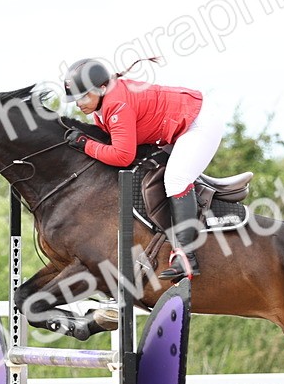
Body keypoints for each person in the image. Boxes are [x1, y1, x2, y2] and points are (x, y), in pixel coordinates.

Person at [61, 57, 224, 281]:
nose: (78, 103)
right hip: (176, 127)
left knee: (175, 179)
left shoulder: (116, 103)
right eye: (75, 98)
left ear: (101, 88)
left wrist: (85, 145)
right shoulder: (103, 103)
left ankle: (186, 256)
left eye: (83, 95)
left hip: (198, 123)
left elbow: (122, 155)